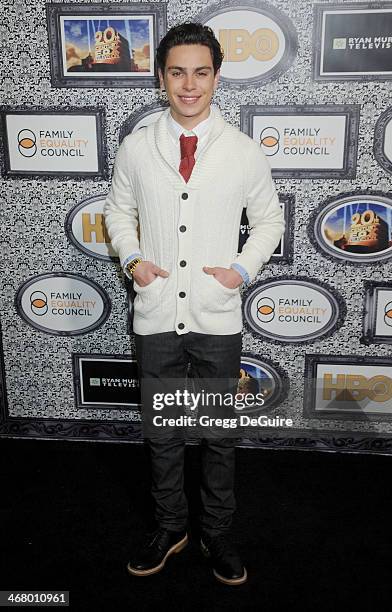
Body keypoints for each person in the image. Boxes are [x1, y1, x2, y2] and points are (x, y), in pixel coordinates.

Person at [104, 22, 285, 586]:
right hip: (157, 311)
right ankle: (170, 525)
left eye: (200, 73)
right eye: (177, 73)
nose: (189, 85)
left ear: (216, 78)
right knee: (161, 432)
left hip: (216, 316)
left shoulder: (243, 152)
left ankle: (218, 531)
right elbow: (117, 213)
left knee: (218, 434)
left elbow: (270, 221)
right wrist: (134, 261)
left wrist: (238, 271)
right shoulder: (136, 148)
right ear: (161, 79)